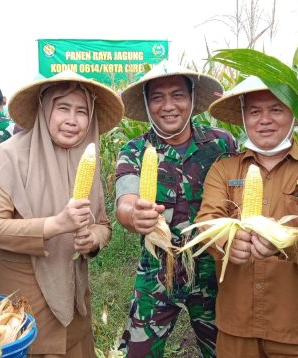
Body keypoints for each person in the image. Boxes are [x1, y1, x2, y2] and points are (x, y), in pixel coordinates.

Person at [196, 75, 298, 356]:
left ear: (295, 114)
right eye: (255, 111)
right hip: (237, 327)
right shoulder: (223, 170)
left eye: (276, 109)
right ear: (244, 118)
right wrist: (225, 242)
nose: (264, 119)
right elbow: (207, 221)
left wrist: (284, 241)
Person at [0, 70, 124, 357]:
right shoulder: (9, 157)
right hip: (19, 305)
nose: (72, 120)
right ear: (45, 110)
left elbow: (103, 223)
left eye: (82, 111)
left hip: (73, 299)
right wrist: (55, 225)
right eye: (63, 108)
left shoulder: (87, 158)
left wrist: (94, 238)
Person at [115, 60, 237, 357]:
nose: (168, 106)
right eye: (157, 97)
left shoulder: (222, 144)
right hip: (158, 268)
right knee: (137, 352)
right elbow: (126, 201)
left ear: (192, 99)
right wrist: (135, 215)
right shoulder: (134, 150)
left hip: (213, 269)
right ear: (147, 104)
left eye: (177, 95)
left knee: (226, 349)